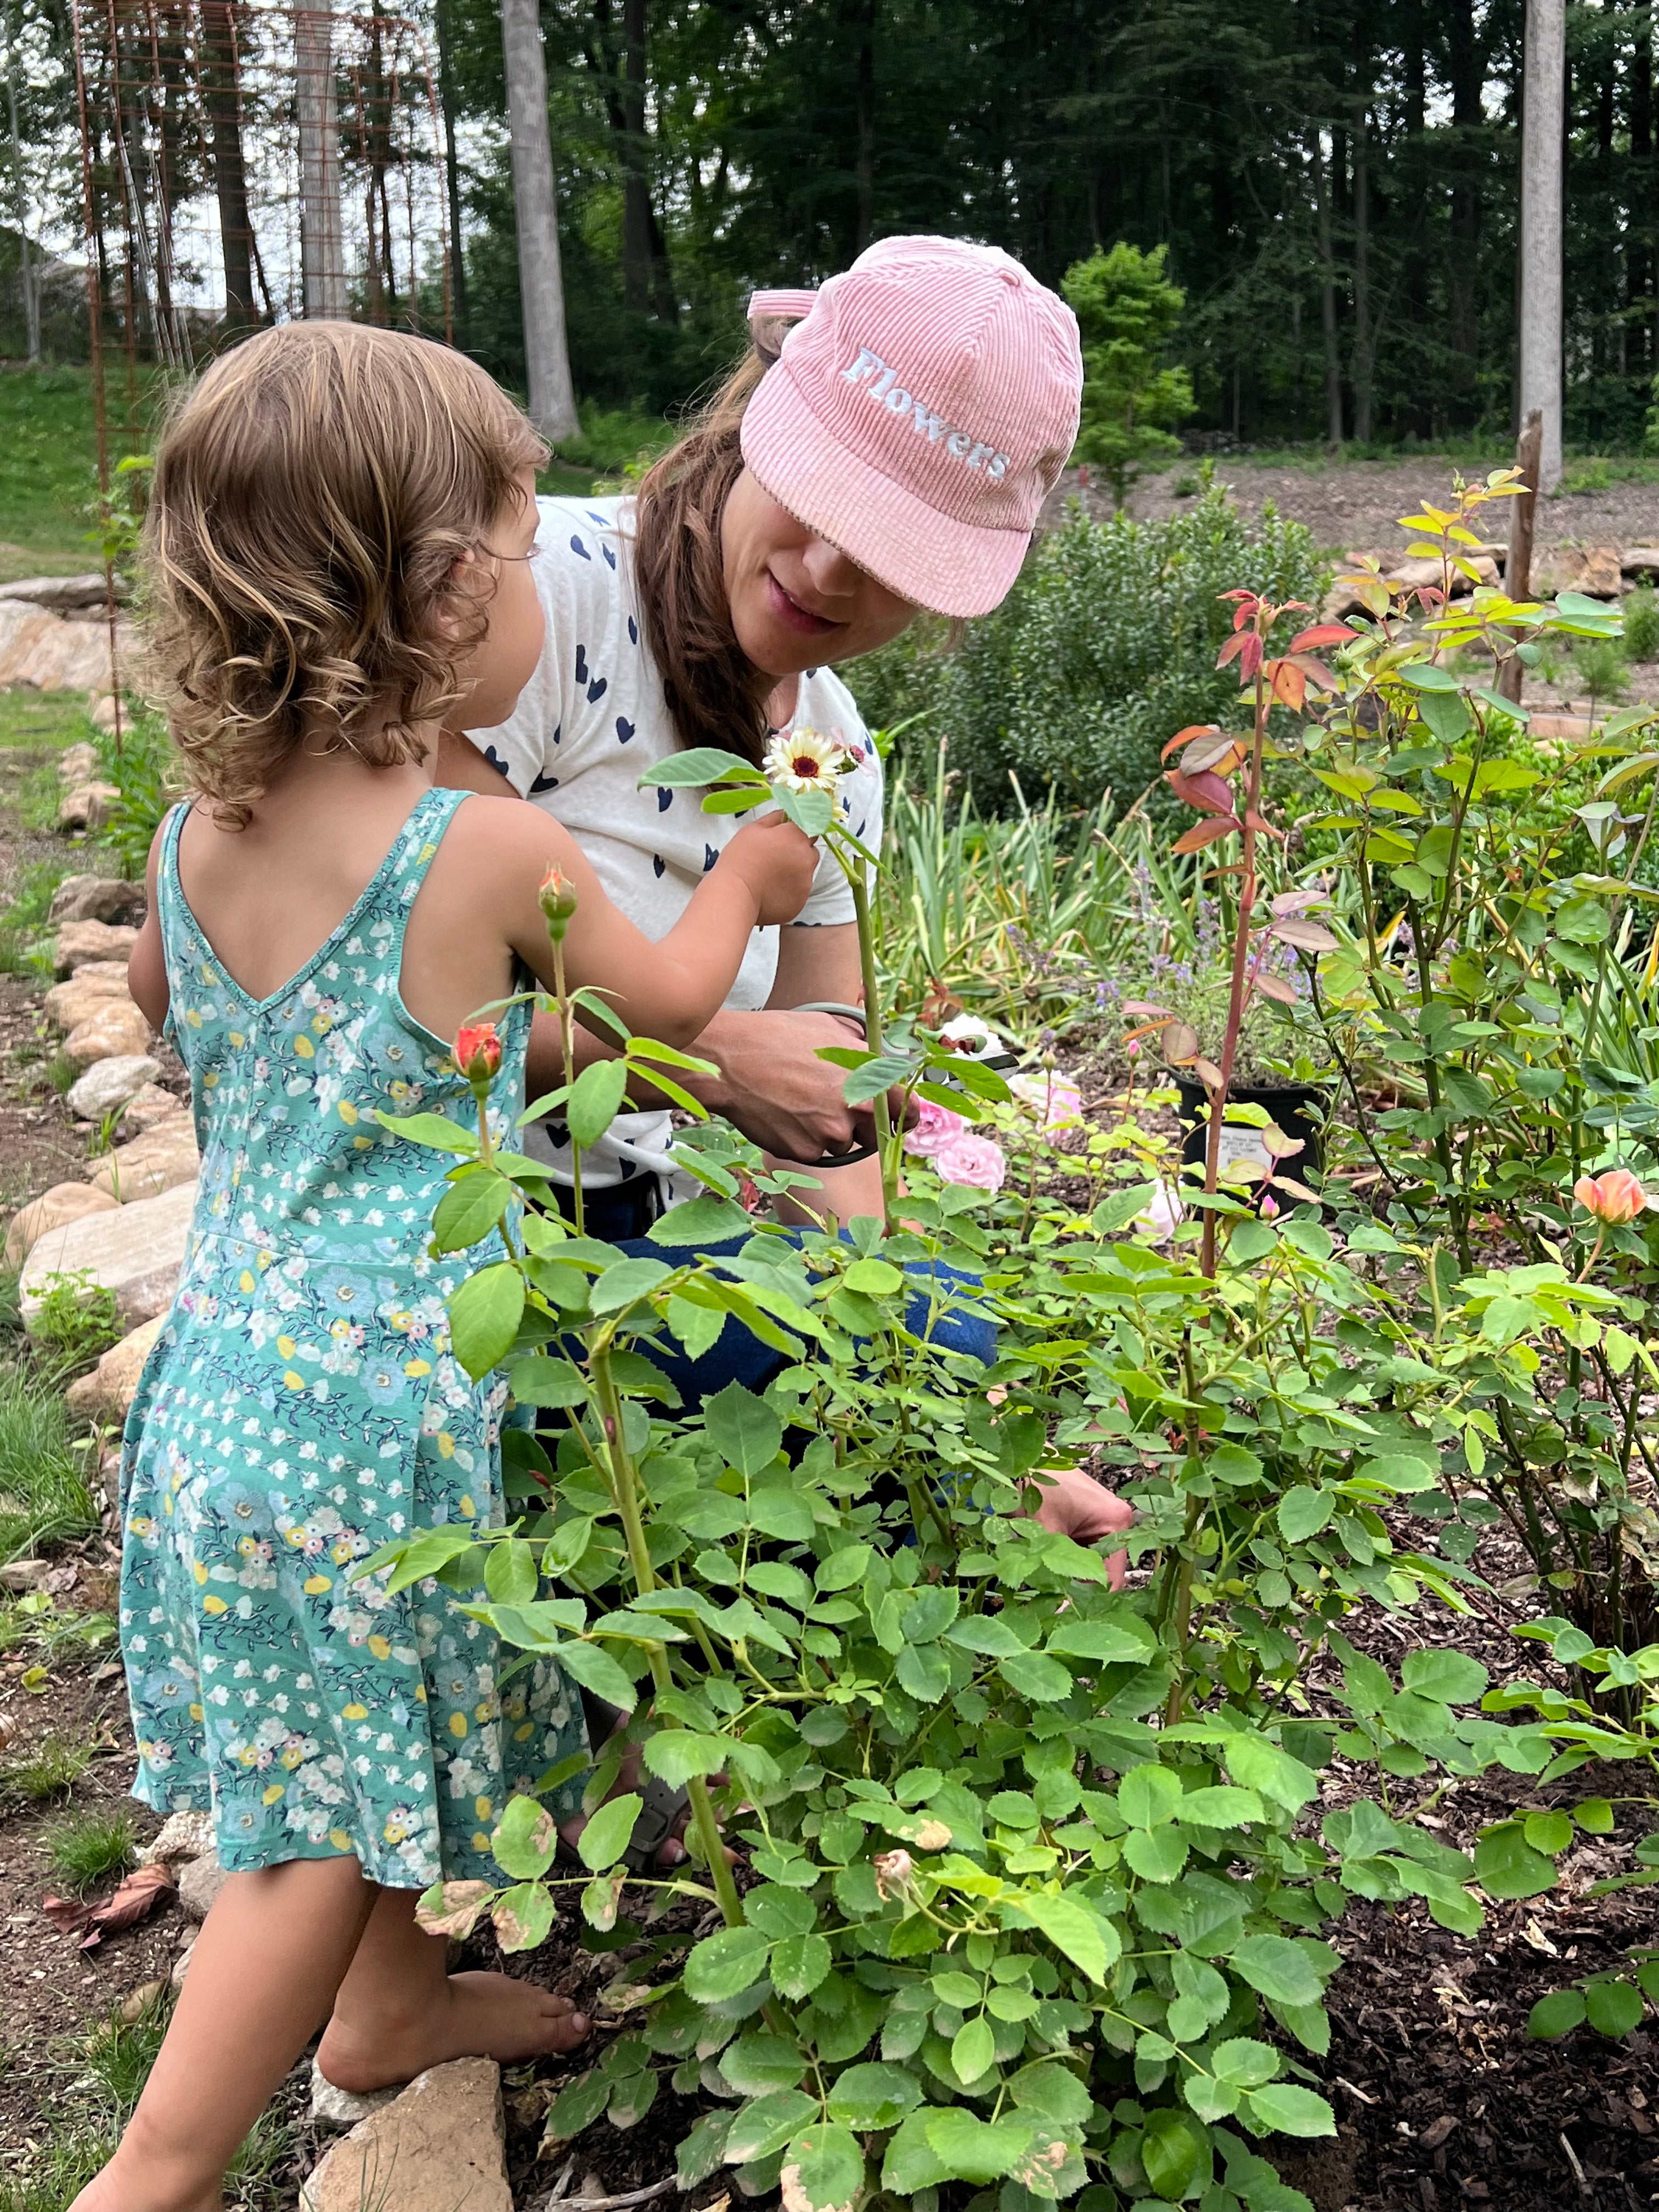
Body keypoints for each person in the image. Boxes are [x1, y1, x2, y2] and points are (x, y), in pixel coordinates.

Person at [74, 321, 817, 2212]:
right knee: (309, 1833)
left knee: (372, 1731)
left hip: (222, 1388)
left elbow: (172, 1003)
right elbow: (666, 1010)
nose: (543, 584)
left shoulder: (191, 837)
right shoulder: (479, 849)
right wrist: (755, 881)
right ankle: (154, 2174)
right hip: (369, 1417)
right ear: (441, 590)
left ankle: (390, 2015)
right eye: (518, 539)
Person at [437, 232, 1090, 1237]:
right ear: (756, 421)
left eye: (894, 553)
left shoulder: (831, 758)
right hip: (466, 1227)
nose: (827, 572)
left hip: (674, 1234)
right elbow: (372, 992)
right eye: (818, 492)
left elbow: (818, 1108)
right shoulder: (533, 602)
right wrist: (712, 1061)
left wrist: (873, 1294)